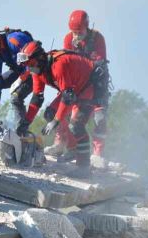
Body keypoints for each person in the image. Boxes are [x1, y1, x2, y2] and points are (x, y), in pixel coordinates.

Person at [15, 41, 97, 178]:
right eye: (26, 66)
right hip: (74, 89)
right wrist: (25, 122)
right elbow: (37, 98)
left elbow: (67, 97)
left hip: (90, 86)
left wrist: (56, 121)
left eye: (30, 65)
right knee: (49, 114)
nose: (29, 69)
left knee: (76, 125)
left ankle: (84, 167)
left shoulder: (58, 65)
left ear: (40, 59)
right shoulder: (37, 71)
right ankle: (71, 148)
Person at [53, 10, 109, 159]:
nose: (76, 36)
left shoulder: (97, 38)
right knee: (68, 115)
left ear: (86, 27)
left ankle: (97, 153)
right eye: (74, 32)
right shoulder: (68, 38)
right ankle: (65, 144)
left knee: (100, 117)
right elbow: (66, 62)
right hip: (77, 83)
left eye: (79, 32)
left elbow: (99, 64)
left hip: (97, 83)